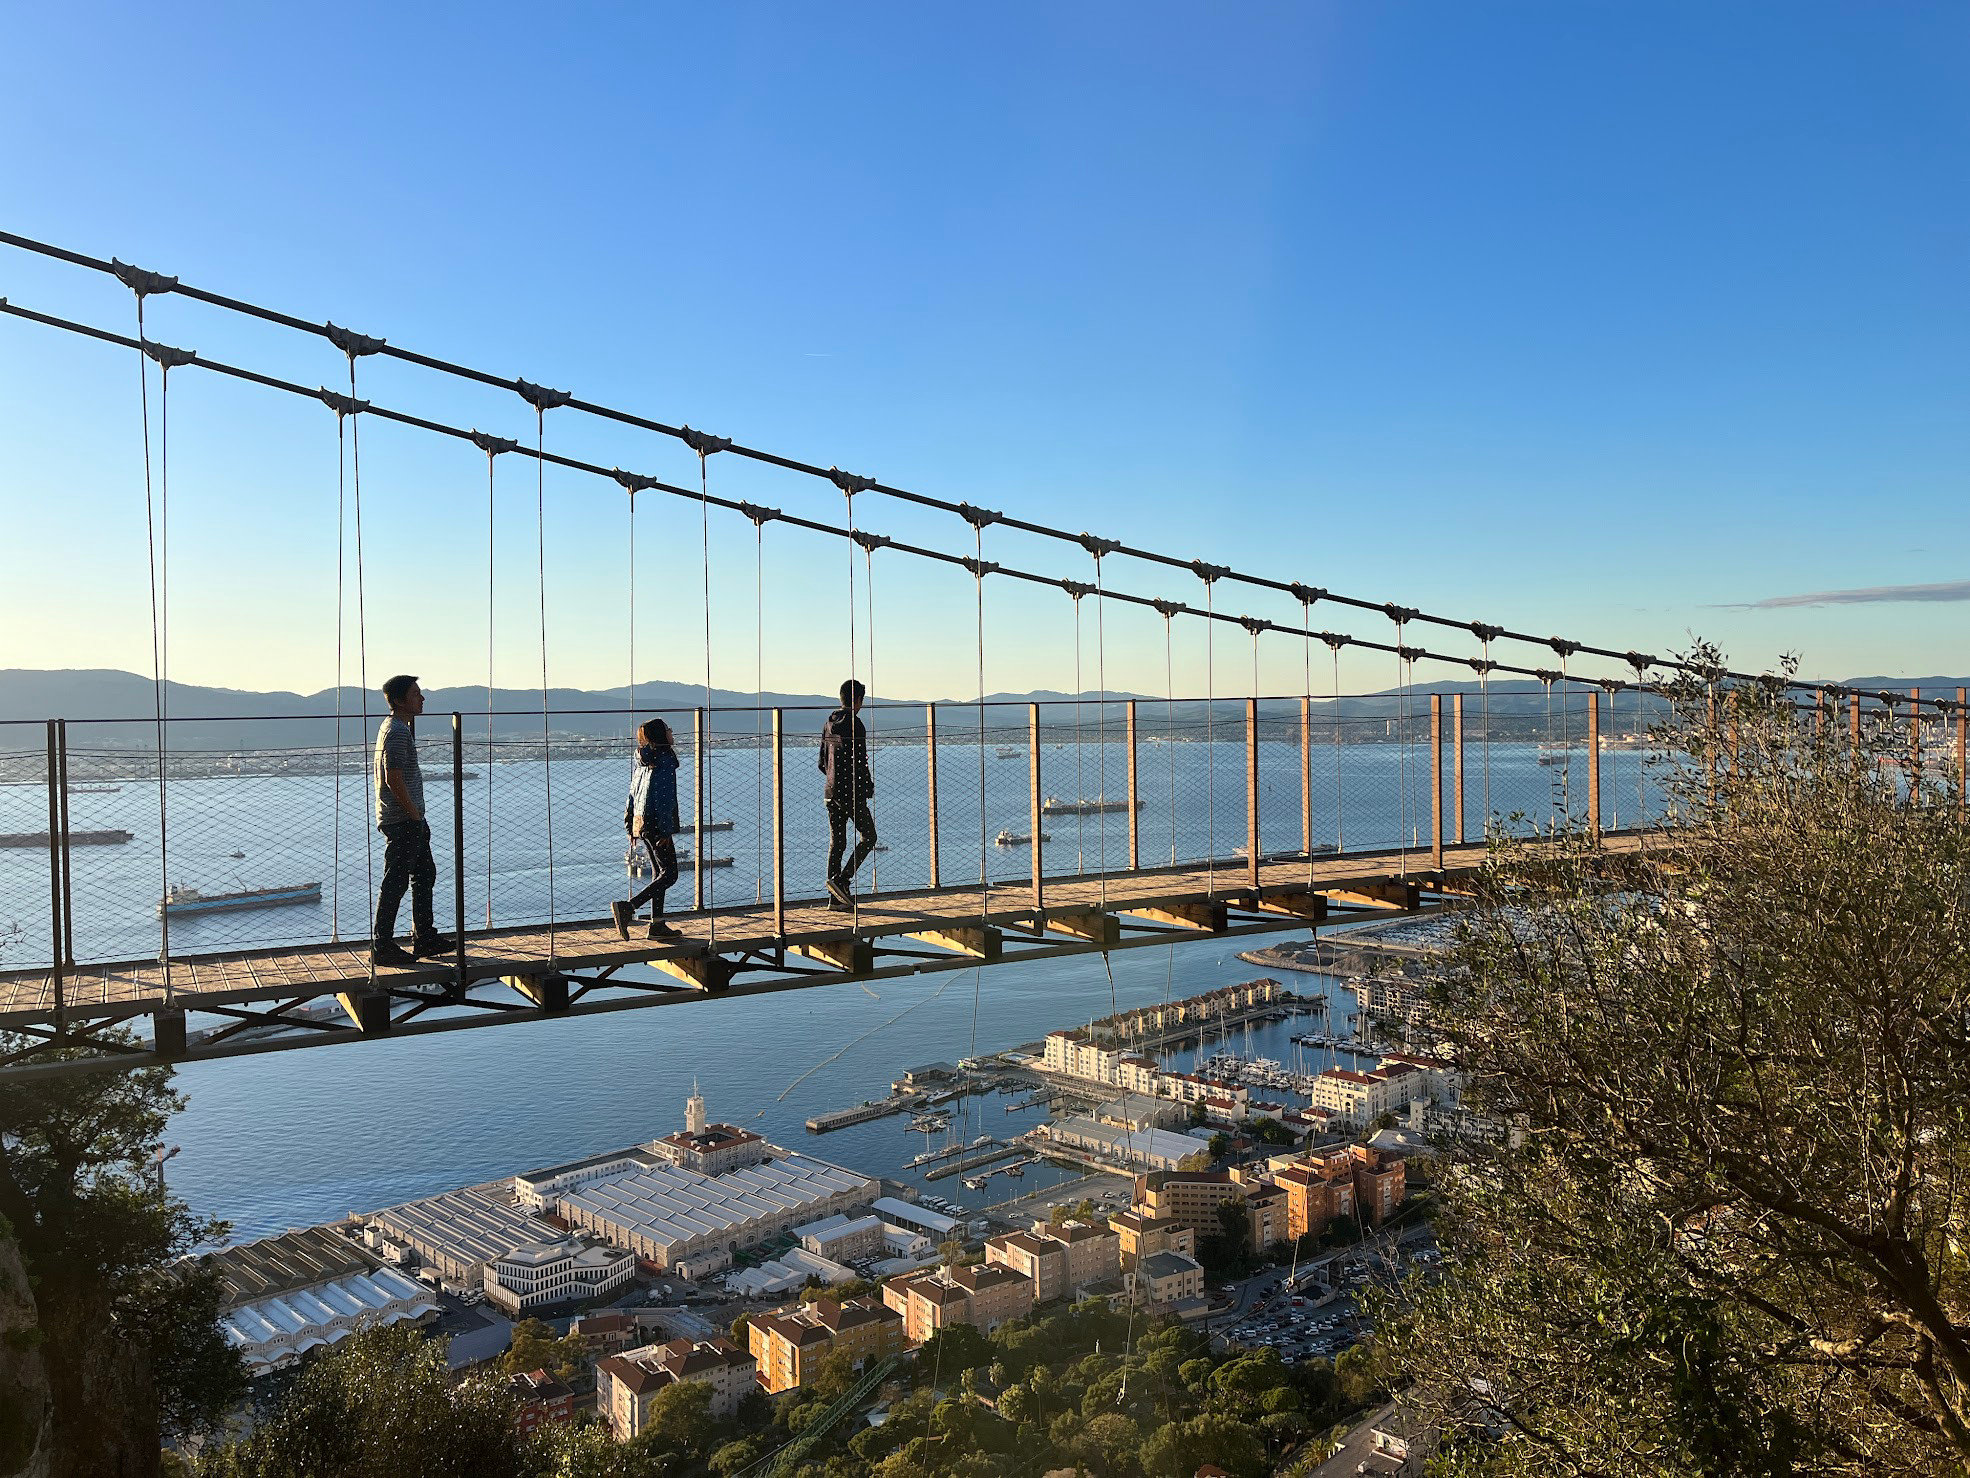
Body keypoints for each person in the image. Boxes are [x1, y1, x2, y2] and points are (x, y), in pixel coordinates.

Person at [371, 674, 454, 967]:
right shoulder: (397, 732)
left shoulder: (394, 727)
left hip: (407, 818)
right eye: (416, 693)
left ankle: (424, 936)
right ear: (398, 700)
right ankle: (383, 945)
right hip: (404, 819)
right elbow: (393, 778)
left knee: (424, 874)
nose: (422, 698)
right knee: (396, 882)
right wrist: (414, 815)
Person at [615, 718, 682, 941]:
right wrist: (666, 830)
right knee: (670, 875)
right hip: (656, 823)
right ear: (661, 736)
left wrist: (630, 826)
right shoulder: (664, 760)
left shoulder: (642, 760)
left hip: (641, 822)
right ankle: (628, 908)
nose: (672, 732)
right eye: (668, 729)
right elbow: (664, 798)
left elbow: (632, 795)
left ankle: (657, 925)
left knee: (658, 873)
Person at [819, 678, 878, 908]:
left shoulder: (828, 723)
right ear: (858, 700)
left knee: (837, 843)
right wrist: (867, 785)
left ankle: (835, 898)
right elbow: (859, 760)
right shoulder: (856, 724)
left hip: (830, 791)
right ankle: (843, 881)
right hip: (850, 793)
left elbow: (822, 763)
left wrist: (833, 778)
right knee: (869, 836)